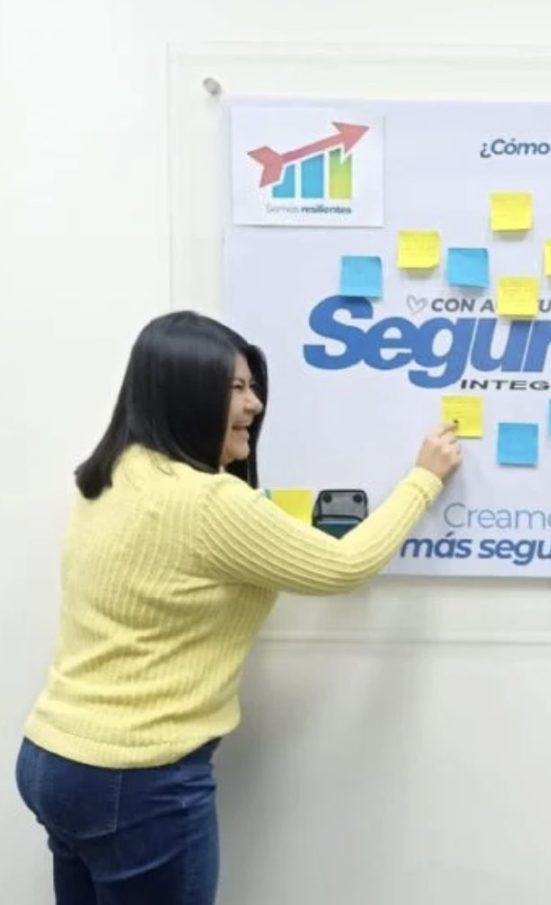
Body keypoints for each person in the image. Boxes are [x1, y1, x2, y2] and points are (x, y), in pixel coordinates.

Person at [14, 311, 461, 905]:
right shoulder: (209, 503)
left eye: (252, 387)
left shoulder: (114, 472)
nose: (255, 405)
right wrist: (423, 480)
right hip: (135, 778)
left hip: (55, 758)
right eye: (236, 388)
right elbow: (344, 566)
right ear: (186, 394)